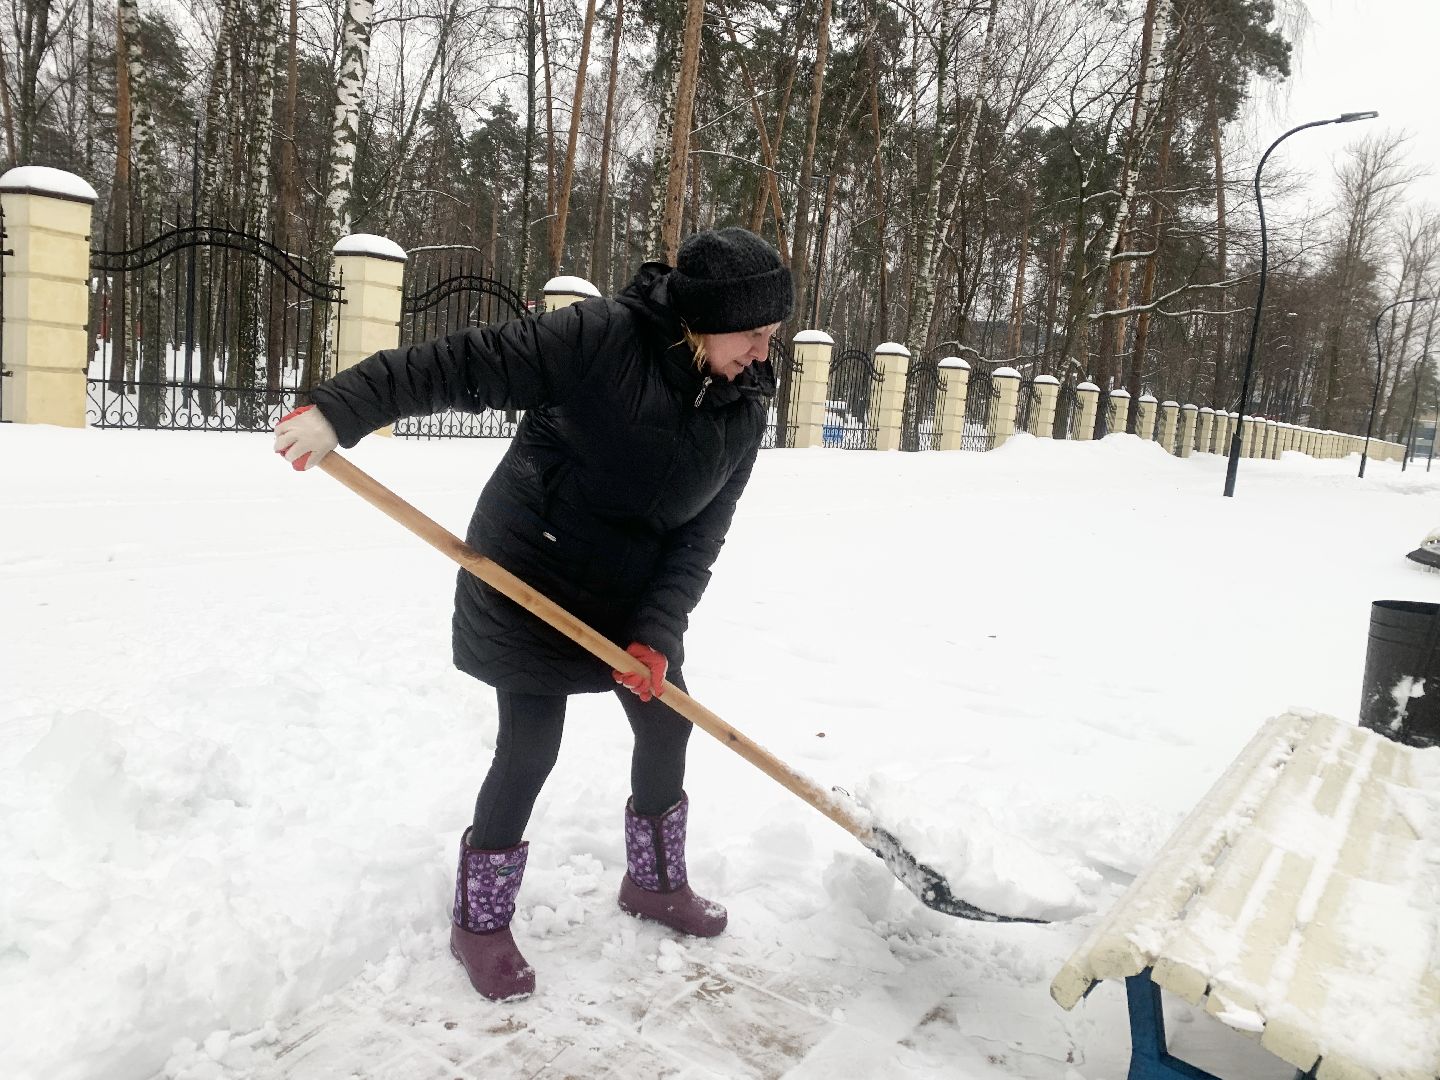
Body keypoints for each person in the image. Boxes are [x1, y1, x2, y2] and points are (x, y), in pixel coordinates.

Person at [273, 227, 791, 1001]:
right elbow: (462, 363)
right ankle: (479, 921)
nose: (761, 351)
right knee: (531, 744)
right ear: (702, 318)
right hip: (530, 573)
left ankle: (653, 883)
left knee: (665, 721)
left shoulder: (744, 405)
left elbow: (698, 538)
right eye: (751, 333)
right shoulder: (599, 339)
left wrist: (656, 633)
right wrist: (342, 409)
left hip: (631, 594)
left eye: (771, 336)